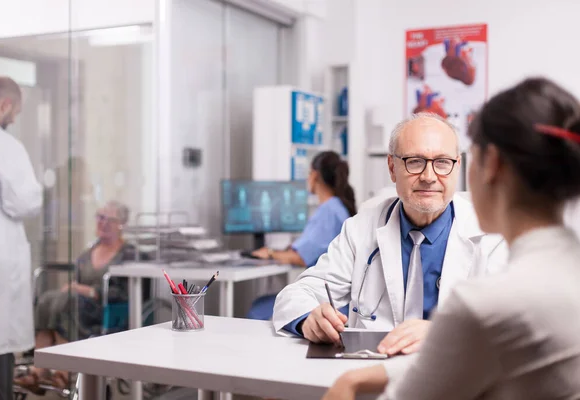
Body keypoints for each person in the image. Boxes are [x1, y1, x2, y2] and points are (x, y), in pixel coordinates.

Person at [323, 77, 580, 399]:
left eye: (447, 162)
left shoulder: (485, 305)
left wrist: (349, 384)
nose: (431, 176)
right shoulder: (566, 270)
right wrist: (365, 376)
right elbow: (485, 357)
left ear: (492, 165)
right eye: (415, 162)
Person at [272, 112, 507, 358]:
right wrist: (309, 318)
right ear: (392, 167)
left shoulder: (492, 236)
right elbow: (297, 294)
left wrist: (443, 332)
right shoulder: (361, 229)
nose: (428, 177)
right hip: (372, 374)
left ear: (457, 167)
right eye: (415, 161)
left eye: (442, 162)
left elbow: (514, 322)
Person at [15, 200, 144, 393]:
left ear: (121, 224)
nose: (103, 222)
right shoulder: (90, 251)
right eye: (100, 217)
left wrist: (90, 291)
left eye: (110, 219)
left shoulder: (129, 254)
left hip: (106, 312)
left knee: (68, 302)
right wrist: (74, 288)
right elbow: (77, 280)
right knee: (49, 299)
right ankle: (40, 369)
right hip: (79, 306)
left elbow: (127, 293)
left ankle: (61, 374)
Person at [0, 77, 43, 400]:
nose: (14, 119)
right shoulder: (2, 144)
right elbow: (24, 202)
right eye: (15, 111)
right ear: (5, 105)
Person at [246, 151, 356, 320]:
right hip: (337, 300)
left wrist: (269, 253)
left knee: (258, 308)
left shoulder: (329, 210)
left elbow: (301, 258)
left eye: (308, 174)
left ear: (315, 175)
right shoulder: (338, 207)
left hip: (328, 302)